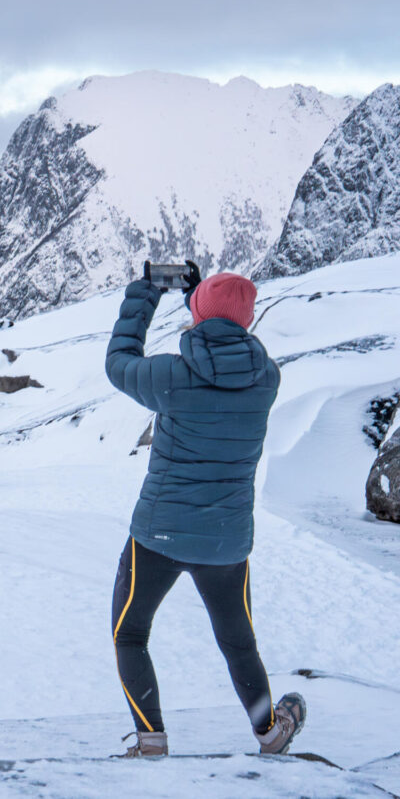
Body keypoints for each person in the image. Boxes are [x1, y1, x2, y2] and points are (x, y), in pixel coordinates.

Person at [105, 263, 305, 758]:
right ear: (247, 319)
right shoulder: (266, 379)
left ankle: (151, 738)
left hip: (158, 535)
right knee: (238, 643)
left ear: (197, 314)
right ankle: (270, 732)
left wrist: (146, 293)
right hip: (225, 542)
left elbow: (119, 363)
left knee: (131, 635)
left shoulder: (171, 375)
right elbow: (222, 336)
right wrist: (204, 302)